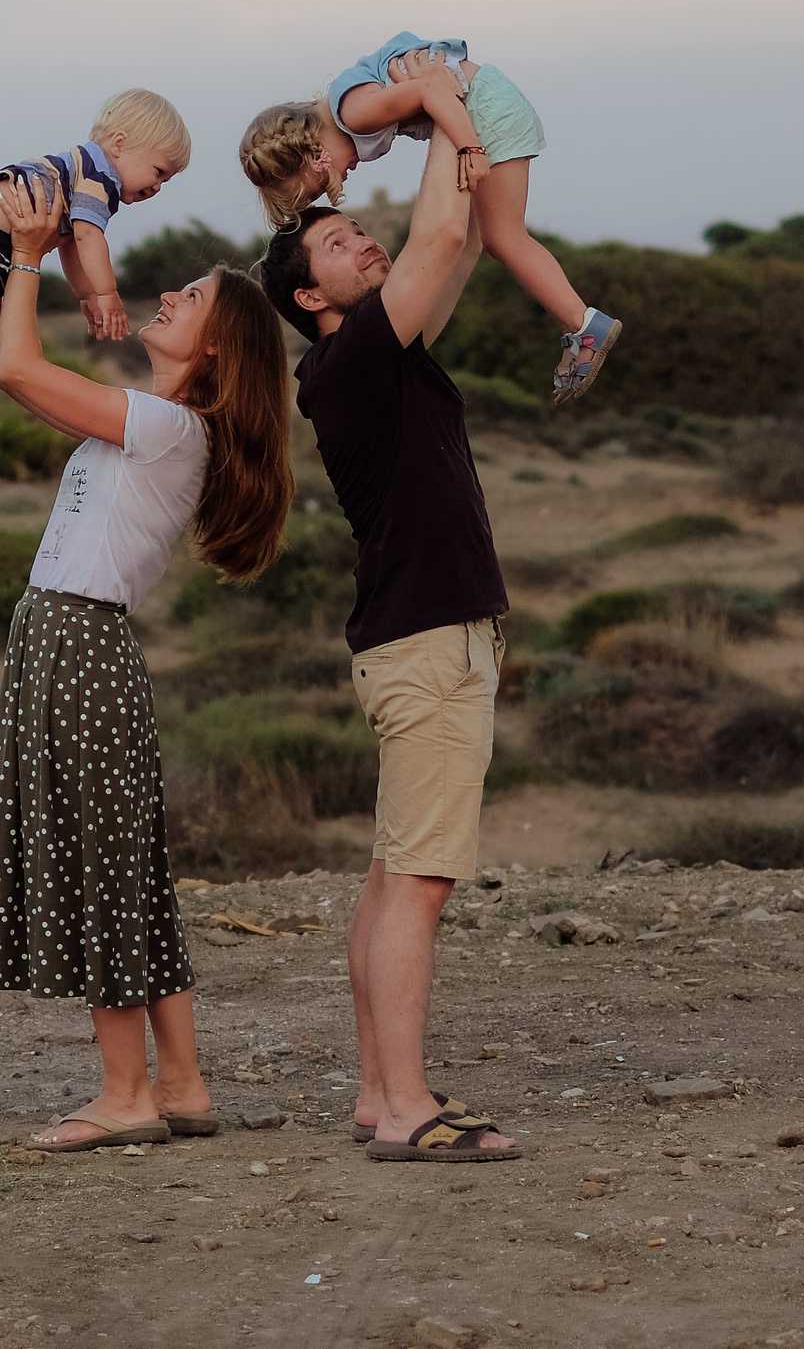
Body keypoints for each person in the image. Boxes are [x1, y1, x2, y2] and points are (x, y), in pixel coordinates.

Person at [0, 169, 293, 1152]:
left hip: (75, 640)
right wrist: (66, 254)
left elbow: (15, 370)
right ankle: (178, 1085)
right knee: (128, 869)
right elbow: (37, 370)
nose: (169, 296)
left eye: (191, 298)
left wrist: (21, 256)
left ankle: (124, 1096)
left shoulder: (165, 427)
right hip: (75, 642)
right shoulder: (163, 422)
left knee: (102, 871)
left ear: (217, 348)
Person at [258, 85, 528, 1165]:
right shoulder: (355, 356)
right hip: (426, 644)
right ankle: (410, 1108)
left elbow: (454, 245)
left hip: (413, 639)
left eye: (356, 229)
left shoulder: (376, 356)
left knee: (388, 882)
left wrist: (436, 139)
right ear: (309, 297)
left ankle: (382, 1096)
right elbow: (444, 230)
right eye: (336, 242)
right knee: (416, 884)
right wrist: (438, 105)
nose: (359, 241)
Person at [237, 34, 622, 404]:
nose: (339, 181)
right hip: (486, 103)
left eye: (322, 182)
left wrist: (470, 146)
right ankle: (572, 324)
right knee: (496, 237)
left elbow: (431, 91)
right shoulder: (349, 100)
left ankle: (583, 324)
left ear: (311, 154)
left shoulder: (355, 113)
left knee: (504, 238)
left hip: (484, 111)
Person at [0, 90, 191, 461]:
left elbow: (71, 243)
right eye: (158, 172)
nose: (157, 187)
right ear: (120, 144)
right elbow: (88, 238)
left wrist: (87, 295)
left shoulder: (85, 174)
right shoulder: (98, 179)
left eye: (165, 181)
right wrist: (106, 294)